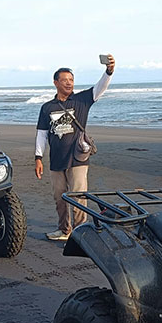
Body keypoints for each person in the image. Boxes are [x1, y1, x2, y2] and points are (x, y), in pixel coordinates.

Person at [35, 55, 116, 241]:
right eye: (64, 80)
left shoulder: (82, 100)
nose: (69, 83)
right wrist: (38, 158)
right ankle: (64, 230)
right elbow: (41, 133)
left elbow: (101, 87)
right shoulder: (47, 108)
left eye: (71, 80)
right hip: (56, 159)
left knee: (79, 197)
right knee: (59, 197)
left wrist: (109, 70)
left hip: (78, 157)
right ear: (55, 82)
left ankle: (80, 234)